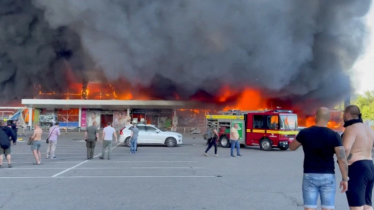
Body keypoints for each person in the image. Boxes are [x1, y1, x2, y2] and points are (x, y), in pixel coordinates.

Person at [290, 107, 349, 210]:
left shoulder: (305, 133)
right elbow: (342, 159)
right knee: (328, 208)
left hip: (310, 175)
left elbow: (292, 147)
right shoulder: (334, 135)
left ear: (315, 117)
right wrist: (345, 179)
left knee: (309, 208)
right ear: (329, 119)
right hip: (328, 176)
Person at [341, 105, 374, 210]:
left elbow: (345, 149)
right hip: (370, 165)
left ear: (347, 114)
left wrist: (346, 160)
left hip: (357, 168)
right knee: (367, 205)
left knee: (356, 206)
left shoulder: (351, 128)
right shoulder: (369, 129)